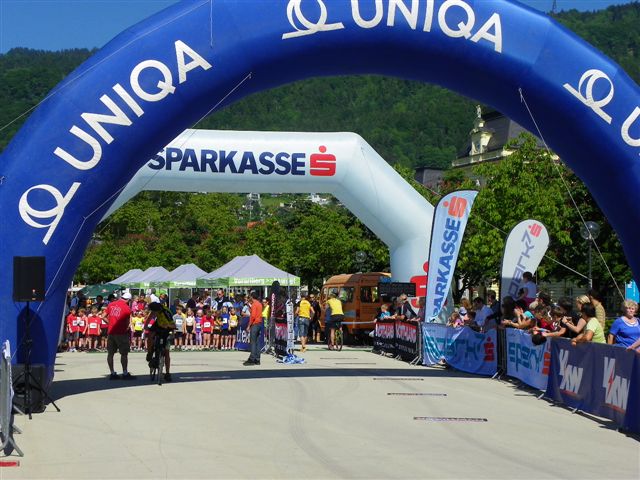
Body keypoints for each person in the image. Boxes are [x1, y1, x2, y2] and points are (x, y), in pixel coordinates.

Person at [105, 292, 135, 380]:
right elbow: (128, 323)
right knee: (124, 354)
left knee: (110, 353)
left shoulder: (111, 304)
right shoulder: (127, 308)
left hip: (111, 332)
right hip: (121, 333)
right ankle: (125, 373)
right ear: (128, 300)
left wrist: (110, 324)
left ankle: (112, 373)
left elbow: (103, 316)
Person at [145, 302, 176, 382]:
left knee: (166, 352)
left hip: (167, 327)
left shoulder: (166, 312)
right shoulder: (155, 310)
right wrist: (145, 327)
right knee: (150, 336)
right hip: (158, 325)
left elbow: (173, 325)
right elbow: (149, 318)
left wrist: (169, 327)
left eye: (154, 312)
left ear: (158, 310)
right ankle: (150, 352)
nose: (153, 313)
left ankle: (167, 373)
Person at [244, 292, 263, 366]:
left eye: (250, 296)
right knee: (257, 342)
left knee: (253, 342)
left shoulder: (254, 304)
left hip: (255, 324)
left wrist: (249, 326)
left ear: (252, 297)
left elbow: (253, 316)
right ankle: (257, 359)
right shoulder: (259, 304)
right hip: (259, 323)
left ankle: (252, 359)